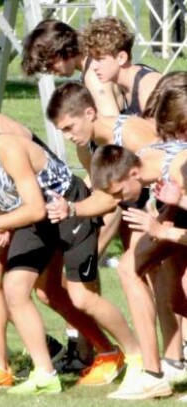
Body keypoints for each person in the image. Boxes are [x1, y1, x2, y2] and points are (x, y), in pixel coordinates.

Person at [0, 113, 142, 395]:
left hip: (69, 208)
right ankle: (45, 374)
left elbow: (36, 207)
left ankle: (133, 356)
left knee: (81, 296)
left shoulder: (8, 150)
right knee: (17, 288)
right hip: (38, 219)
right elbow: (15, 202)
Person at [90, 143, 187, 399]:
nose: (120, 201)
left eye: (120, 193)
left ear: (134, 174)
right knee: (129, 268)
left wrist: (164, 229)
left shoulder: (178, 168)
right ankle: (152, 376)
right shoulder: (144, 160)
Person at [21, 19, 122, 116]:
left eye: (50, 64)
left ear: (64, 50)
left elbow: (113, 124)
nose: (51, 71)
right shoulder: (93, 66)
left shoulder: (94, 76)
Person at [83, 16, 162, 116]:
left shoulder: (147, 87)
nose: (94, 66)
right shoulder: (123, 85)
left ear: (121, 58)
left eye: (100, 59)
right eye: (92, 58)